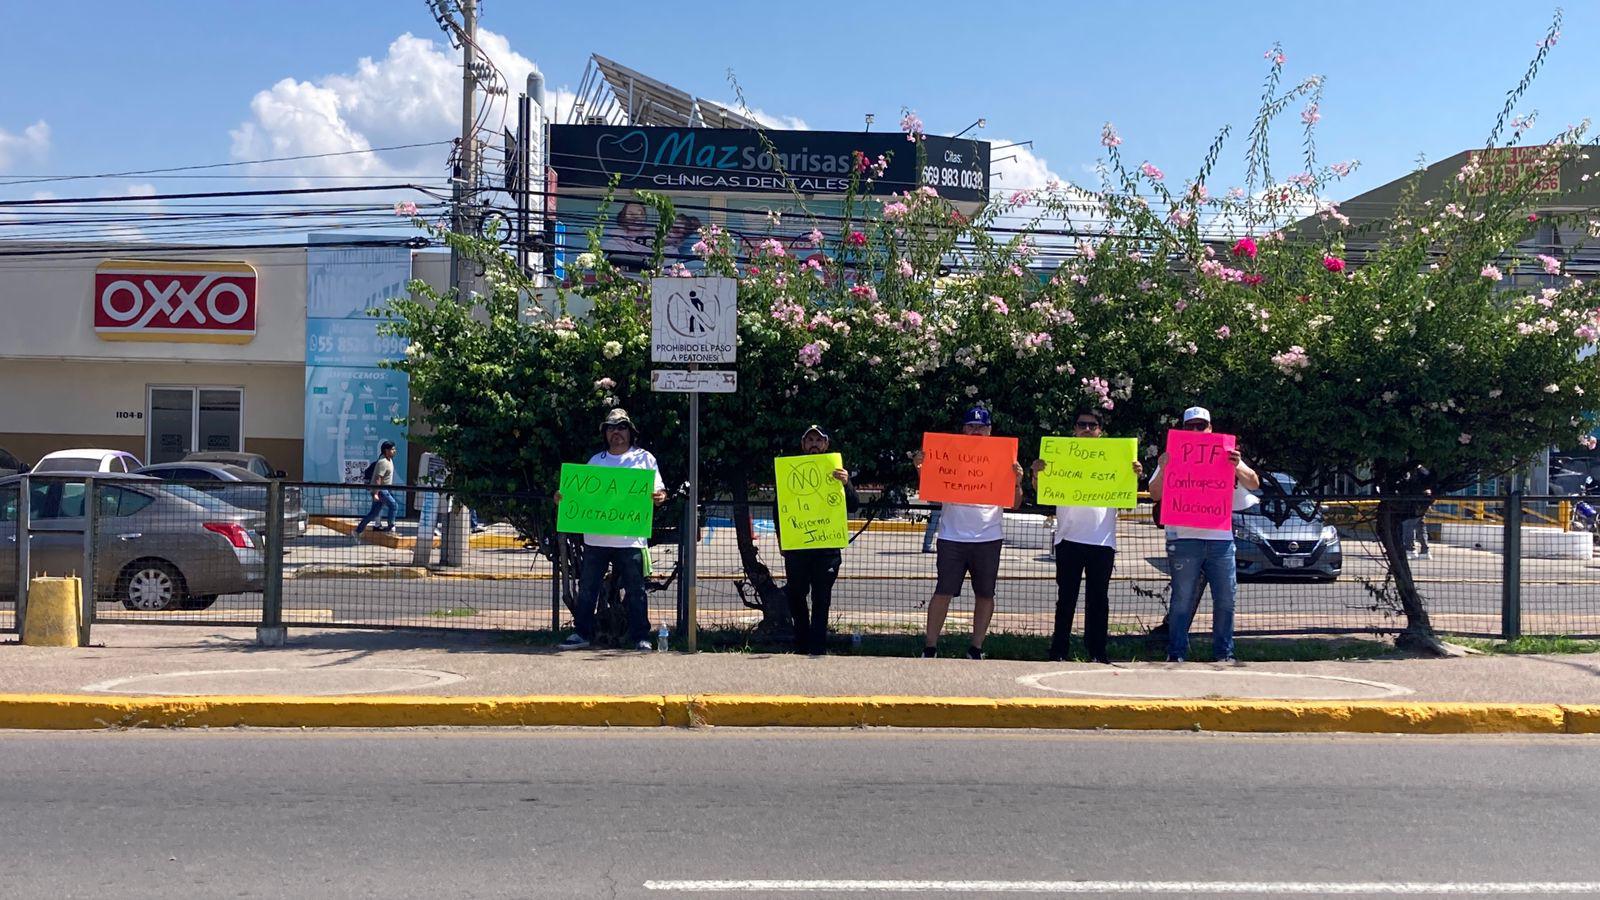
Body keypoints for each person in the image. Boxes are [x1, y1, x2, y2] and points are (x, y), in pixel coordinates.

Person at [1147, 406, 1260, 665]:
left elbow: (1254, 483)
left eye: (1202, 426)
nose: (1197, 431)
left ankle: (1224, 653)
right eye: (1192, 426)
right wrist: (1163, 467)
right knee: (1182, 599)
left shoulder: (1227, 453)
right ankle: (1176, 652)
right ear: (1184, 429)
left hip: (1220, 539)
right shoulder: (1172, 454)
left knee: (1226, 599)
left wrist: (1238, 466)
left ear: (1211, 428)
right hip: (1183, 539)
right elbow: (1154, 494)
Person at [912, 406, 1026, 660]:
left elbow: (1015, 503)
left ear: (989, 430)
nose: (976, 430)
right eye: (971, 426)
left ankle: (976, 648)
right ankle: (929, 647)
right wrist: (921, 468)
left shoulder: (1003, 458)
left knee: (985, 593)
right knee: (943, 591)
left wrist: (1017, 481)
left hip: (988, 537)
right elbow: (931, 489)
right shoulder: (948, 454)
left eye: (981, 426)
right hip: (952, 536)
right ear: (963, 429)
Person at [1030, 410, 1143, 664]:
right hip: (1068, 539)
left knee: (1098, 600)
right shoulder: (1059, 456)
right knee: (1066, 598)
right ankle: (1058, 651)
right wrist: (1037, 473)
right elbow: (1041, 490)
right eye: (1082, 425)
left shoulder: (1116, 460)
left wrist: (1134, 474)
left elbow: (1128, 498)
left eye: (1093, 425)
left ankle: (1097, 652)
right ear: (1074, 429)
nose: (1087, 429)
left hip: (1102, 542)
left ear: (1100, 431)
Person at [558, 409, 669, 651]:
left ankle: (641, 636)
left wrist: (659, 496)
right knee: (588, 587)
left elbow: (659, 490)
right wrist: (563, 499)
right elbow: (579, 496)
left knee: (636, 590)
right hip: (596, 538)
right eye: (611, 427)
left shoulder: (645, 459)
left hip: (630, 539)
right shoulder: (595, 462)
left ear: (630, 431)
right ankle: (582, 633)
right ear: (605, 433)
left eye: (621, 427)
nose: (616, 432)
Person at [778, 425, 858, 655]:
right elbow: (779, 510)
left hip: (827, 549)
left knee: (822, 599)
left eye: (818, 440)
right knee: (796, 595)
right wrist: (781, 541)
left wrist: (846, 483)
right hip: (798, 547)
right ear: (803, 445)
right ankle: (802, 642)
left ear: (826, 444)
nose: (814, 444)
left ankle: (818, 646)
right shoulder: (790, 471)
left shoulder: (838, 472)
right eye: (809, 440)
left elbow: (853, 506)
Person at [354, 441, 398, 535]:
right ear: (386, 450)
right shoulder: (383, 462)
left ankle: (357, 531)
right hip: (381, 490)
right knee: (394, 506)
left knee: (373, 513)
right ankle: (391, 527)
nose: (394, 451)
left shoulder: (389, 460)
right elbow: (378, 478)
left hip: (384, 490)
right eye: (392, 449)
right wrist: (376, 494)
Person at [600, 201, 655, 271]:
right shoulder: (611, 245)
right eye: (630, 214)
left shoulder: (653, 242)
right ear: (623, 217)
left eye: (640, 213)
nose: (636, 217)